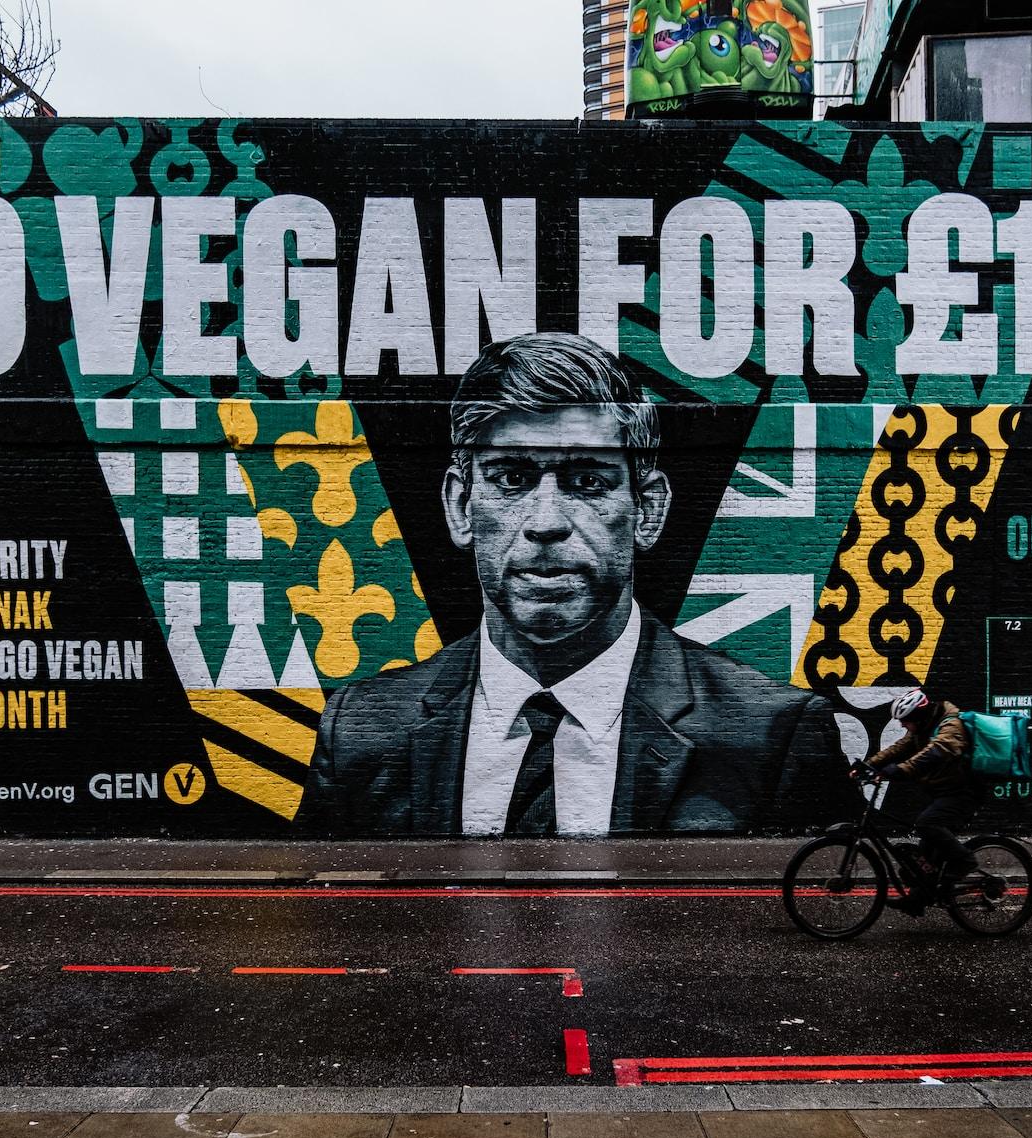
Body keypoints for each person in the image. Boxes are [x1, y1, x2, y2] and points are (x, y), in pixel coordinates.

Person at [296, 331, 840, 836]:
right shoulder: (362, 732)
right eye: (512, 478)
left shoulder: (772, 734)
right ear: (462, 507)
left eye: (587, 481)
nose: (546, 521)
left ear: (646, 511)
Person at [857, 688, 987, 883]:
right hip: (943, 792)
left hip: (964, 793)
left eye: (905, 720)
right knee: (924, 865)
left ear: (917, 716)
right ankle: (916, 901)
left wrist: (900, 770)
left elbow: (934, 753)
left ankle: (965, 861)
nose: (902, 725)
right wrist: (869, 764)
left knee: (926, 824)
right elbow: (899, 748)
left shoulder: (952, 726)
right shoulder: (924, 725)